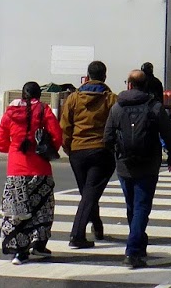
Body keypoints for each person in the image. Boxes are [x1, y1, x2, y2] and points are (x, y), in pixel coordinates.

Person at [104, 69, 171, 270]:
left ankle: (138, 243)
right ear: (145, 85)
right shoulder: (154, 107)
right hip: (148, 164)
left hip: (125, 165)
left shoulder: (117, 107)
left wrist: (116, 154)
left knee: (132, 206)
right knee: (142, 207)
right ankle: (133, 251)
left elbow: (107, 137)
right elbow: (169, 135)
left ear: (129, 84)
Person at [0, 81, 62, 264]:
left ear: (22, 94)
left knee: (16, 212)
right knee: (43, 208)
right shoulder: (44, 110)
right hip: (40, 168)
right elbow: (56, 135)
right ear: (38, 95)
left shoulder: (10, 112)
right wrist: (49, 149)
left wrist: (12, 149)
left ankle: (19, 251)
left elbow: (1, 141)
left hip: (16, 168)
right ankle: (39, 244)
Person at [60, 61, 116, 249]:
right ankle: (77, 235)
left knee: (88, 193)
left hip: (77, 150)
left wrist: (68, 147)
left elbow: (65, 127)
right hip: (100, 150)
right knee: (90, 193)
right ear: (105, 76)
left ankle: (97, 226)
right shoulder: (111, 99)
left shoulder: (73, 99)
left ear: (87, 76)